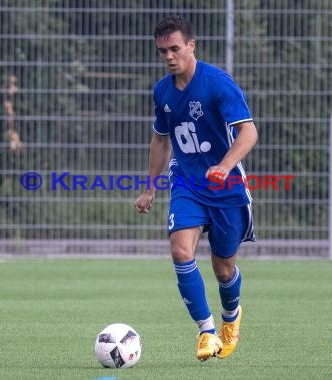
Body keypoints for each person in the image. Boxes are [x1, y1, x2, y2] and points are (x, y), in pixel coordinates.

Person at [134, 15, 258, 362]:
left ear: (192, 45)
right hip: (187, 183)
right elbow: (161, 140)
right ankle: (205, 331)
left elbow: (249, 132)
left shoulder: (218, 83)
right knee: (180, 250)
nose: (169, 56)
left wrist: (225, 164)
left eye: (175, 48)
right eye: (162, 51)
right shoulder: (162, 91)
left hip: (227, 188)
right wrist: (150, 188)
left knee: (223, 268)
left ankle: (230, 318)